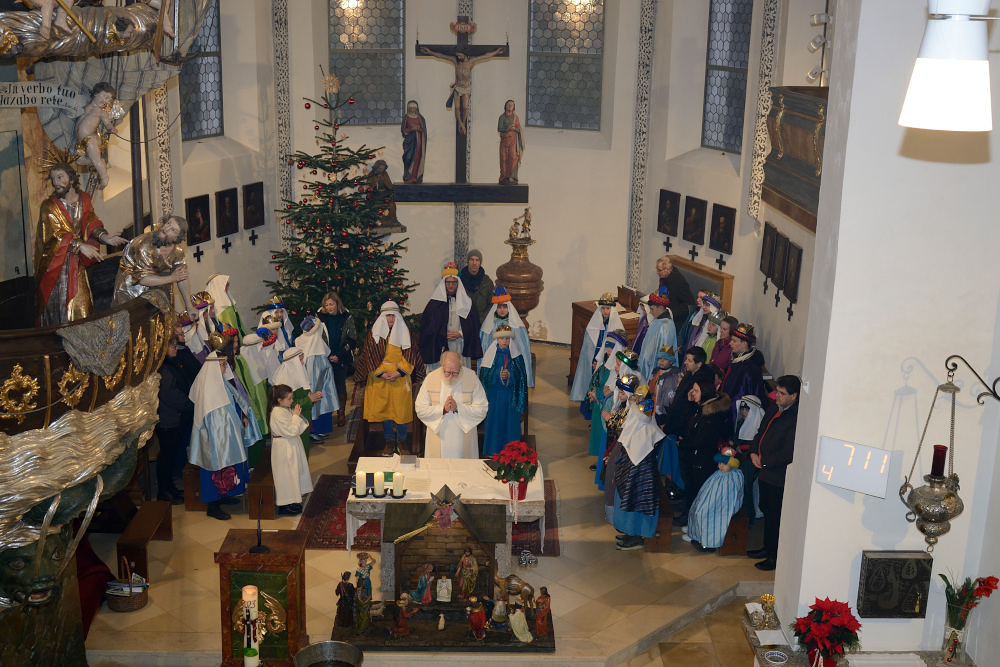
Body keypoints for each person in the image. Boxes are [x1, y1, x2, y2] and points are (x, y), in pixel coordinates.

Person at [34, 161, 126, 325]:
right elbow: (55, 234)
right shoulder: (48, 206)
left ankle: (82, 339)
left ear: (71, 179)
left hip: (76, 265)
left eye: (60, 177)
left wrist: (104, 237)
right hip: (55, 267)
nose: (55, 182)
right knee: (58, 314)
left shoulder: (84, 199)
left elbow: (90, 221)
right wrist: (79, 245)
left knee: (82, 309)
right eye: (53, 178)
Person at [188, 351, 262, 521]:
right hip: (214, 440)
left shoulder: (220, 382)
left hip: (226, 435)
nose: (225, 368)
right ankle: (212, 505)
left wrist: (242, 417)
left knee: (227, 467)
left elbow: (233, 402)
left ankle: (224, 495)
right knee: (215, 469)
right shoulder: (208, 387)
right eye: (222, 365)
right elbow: (210, 419)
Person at [353, 300, 425, 456]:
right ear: (382, 317)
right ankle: (389, 441)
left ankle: (402, 441)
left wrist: (399, 372)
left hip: (400, 377)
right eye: (387, 316)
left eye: (393, 316)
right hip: (379, 377)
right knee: (385, 410)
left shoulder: (406, 333)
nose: (390, 319)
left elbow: (411, 355)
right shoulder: (374, 334)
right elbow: (369, 356)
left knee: (400, 410)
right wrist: (381, 373)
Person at [747, 375, 800, 572]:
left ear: (794, 396)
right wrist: (753, 451)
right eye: (776, 391)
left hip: (778, 476)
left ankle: (774, 556)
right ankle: (767, 547)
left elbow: (789, 452)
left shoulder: (795, 418)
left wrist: (765, 461)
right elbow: (760, 433)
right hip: (765, 472)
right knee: (767, 511)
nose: (777, 396)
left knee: (775, 517)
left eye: (782, 393)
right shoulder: (773, 410)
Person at [611, 385, 665, 551]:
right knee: (627, 496)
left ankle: (637, 535)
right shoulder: (636, 409)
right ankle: (630, 531)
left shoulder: (646, 411)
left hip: (642, 466)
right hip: (632, 461)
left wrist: (634, 404)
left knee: (637, 499)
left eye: (640, 396)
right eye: (636, 396)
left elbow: (643, 418)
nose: (636, 399)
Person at [672, 378, 731, 527]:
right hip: (692, 456)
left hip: (701, 460)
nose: (693, 392)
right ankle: (687, 511)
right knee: (690, 487)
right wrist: (689, 402)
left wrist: (683, 443)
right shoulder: (701, 406)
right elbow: (688, 421)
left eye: (696, 390)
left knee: (696, 490)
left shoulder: (712, 414)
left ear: (704, 392)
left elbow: (702, 439)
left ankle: (690, 519)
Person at [415, 351, 489, 459]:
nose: (450, 376)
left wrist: (459, 409)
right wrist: (442, 410)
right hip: (438, 436)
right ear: (442, 366)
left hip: (463, 437)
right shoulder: (431, 378)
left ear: (461, 367)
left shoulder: (471, 378)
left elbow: (482, 408)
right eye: (447, 372)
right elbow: (420, 409)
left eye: (455, 372)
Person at [418, 45, 504, 135]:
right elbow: (441, 56)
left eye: (460, 55)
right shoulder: (455, 61)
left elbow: (485, 56)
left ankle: (463, 122)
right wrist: (430, 52)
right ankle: (460, 123)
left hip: (466, 88)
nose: (458, 57)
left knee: (465, 107)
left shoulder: (470, 61)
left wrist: (496, 52)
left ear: (464, 54)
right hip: (458, 88)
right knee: (457, 107)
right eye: (457, 55)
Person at [112, 214, 191, 311]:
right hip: (129, 289)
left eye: (173, 230)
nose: (166, 229)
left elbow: (182, 277)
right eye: (168, 223)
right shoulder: (144, 245)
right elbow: (143, 280)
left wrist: (189, 306)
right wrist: (172, 278)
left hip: (152, 287)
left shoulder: (177, 252)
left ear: (176, 239)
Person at [155, 334, 196, 504]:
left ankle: (170, 488)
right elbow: (172, 395)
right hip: (168, 419)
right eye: (172, 346)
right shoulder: (162, 370)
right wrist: (191, 404)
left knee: (170, 457)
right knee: (166, 457)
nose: (176, 348)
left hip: (175, 418)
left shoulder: (171, 365)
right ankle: (164, 492)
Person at [419, 263, 482, 370]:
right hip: (441, 345)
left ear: (458, 283)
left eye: (453, 282)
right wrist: (443, 334)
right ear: (444, 283)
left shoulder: (467, 303)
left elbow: (474, 325)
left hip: (460, 344)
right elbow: (427, 327)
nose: (450, 285)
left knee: (460, 372)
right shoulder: (435, 303)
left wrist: (460, 333)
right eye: (448, 282)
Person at [478, 325, 528, 456]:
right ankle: (492, 450)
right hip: (495, 396)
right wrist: (498, 375)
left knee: (510, 424)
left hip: (511, 396)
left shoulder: (516, 356)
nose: (504, 341)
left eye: (507, 338)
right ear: (496, 340)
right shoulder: (491, 356)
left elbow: (521, 376)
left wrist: (510, 376)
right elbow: (485, 376)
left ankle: (511, 452)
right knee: (495, 423)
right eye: (501, 338)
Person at [683, 447, 744, 553]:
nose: (721, 466)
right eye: (719, 463)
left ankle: (706, 542)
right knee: (695, 506)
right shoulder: (720, 473)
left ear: (732, 464)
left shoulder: (732, 477)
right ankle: (695, 533)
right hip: (713, 500)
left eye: (724, 464)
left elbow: (727, 498)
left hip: (723, 505)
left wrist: (709, 504)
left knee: (704, 513)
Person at [266, 384, 313, 516]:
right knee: (286, 476)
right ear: (279, 400)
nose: (292, 401)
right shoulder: (277, 413)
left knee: (293, 474)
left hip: (290, 445)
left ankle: (292, 500)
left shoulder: (283, 409)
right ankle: (284, 505)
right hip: (284, 449)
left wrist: (294, 416)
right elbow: (292, 431)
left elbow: (294, 429)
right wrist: (296, 416)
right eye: (289, 399)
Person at [570, 292, 625, 402]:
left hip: (607, 360)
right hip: (594, 358)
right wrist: (593, 359)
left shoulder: (616, 327)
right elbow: (588, 346)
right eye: (603, 308)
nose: (605, 311)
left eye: (608, 308)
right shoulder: (594, 325)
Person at [296, 315, 341, 442]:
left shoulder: (317, 342)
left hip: (323, 376)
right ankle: (314, 431)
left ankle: (322, 429)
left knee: (324, 400)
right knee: (316, 401)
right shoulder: (303, 341)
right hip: (313, 377)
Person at [585, 330, 627, 465]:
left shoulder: (620, 368)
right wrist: (594, 392)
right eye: (607, 347)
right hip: (601, 403)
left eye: (611, 348)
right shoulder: (606, 363)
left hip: (609, 407)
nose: (608, 351)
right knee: (599, 435)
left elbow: (613, 388)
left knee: (605, 439)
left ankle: (603, 462)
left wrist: (599, 393)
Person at [271, 348, 322, 458]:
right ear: (292, 362)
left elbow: (305, 394)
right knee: (297, 454)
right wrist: (309, 399)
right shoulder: (284, 380)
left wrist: (312, 396)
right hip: (293, 422)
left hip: (303, 419)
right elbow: (288, 405)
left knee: (304, 450)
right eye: (300, 360)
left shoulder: (298, 374)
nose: (303, 363)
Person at [479, 286, 533, 387]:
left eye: (505, 307)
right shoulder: (490, 325)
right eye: (499, 307)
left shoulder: (515, 325)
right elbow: (485, 344)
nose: (502, 310)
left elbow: (520, 345)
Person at [316, 291, 356, 427]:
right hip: (324, 357)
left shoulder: (346, 317)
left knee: (340, 385)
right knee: (324, 386)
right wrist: (327, 355)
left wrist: (339, 355)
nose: (329, 307)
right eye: (326, 305)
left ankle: (341, 413)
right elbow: (315, 338)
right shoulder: (319, 318)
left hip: (341, 357)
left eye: (331, 304)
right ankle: (326, 415)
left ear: (337, 304)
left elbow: (352, 339)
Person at [720, 323, 768, 425]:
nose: (730, 343)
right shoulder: (737, 362)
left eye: (734, 341)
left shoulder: (749, 369)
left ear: (744, 344)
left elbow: (749, 396)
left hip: (737, 415)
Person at [74, 82, 118, 190]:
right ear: (96, 93)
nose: (106, 101)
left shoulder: (101, 113)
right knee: (79, 161)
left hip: (90, 138)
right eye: (105, 97)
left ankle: (104, 178)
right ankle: (100, 163)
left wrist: (111, 128)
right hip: (80, 141)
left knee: (96, 159)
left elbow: (107, 124)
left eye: (108, 100)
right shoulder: (86, 106)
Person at [237, 332, 270, 467]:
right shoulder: (246, 364)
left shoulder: (257, 360)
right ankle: (252, 466)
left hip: (263, 403)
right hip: (255, 405)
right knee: (257, 434)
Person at [733, 394, 766, 523]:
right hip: (741, 460)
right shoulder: (741, 422)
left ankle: (748, 517)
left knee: (748, 490)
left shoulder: (760, 425)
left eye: (746, 409)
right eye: (741, 409)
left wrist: (743, 448)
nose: (743, 412)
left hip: (750, 463)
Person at [637, 287, 678, 380]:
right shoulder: (656, 320)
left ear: (660, 308)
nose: (650, 312)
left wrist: (657, 372)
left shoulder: (666, 326)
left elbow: (665, 354)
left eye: (652, 309)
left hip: (655, 371)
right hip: (646, 366)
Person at [459, 249, 494, 327]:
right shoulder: (460, 281)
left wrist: (481, 320)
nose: (474, 263)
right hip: (464, 323)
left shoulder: (487, 282)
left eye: (477, 260)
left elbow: (491, 304)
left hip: (482, 323)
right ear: (468, 261)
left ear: (480, 262)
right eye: (472, 260)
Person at [655, 256, 694, 322]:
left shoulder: (679, 282)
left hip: (676, 318)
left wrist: (670, 313)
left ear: (667, 270)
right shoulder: (664, 277)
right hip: (664, 311)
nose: (657, 272)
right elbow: (662, 295)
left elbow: (688, 304)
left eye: (659, 270)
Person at [400, 100, 427, 183]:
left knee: (417, 158)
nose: (412, 109)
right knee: (408, 157)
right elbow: (403, 131)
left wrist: (418, 128)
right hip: (409, 141)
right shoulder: (406, 118)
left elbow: (424, 130)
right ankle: (408, 176)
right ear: (408, 108)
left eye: (414, 108)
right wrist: (411, 129)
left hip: (419, 142)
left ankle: (416, 177)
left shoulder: (421, 118)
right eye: (410, 108)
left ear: (416, 108)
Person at [497, 99, 524, 184]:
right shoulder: (502, 117)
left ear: (513, 107)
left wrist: (514, 128)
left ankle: (512, 176)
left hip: (512, 141)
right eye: (508, 104)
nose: (510, 106)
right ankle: (504, 176)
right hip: (504, 140)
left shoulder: (515, 118)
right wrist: (507, 128)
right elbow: (499, 128)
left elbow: (519, 129)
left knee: (513, 158)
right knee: (503, 159)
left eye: (512, 105)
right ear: (505, 106)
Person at [366, 159, 398, 228]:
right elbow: (368, 186)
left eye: (383, 169)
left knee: (392, 205)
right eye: (380, 169)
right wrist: (371, 188)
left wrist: (390, 193)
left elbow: (389, 185)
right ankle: (377, 221)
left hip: (385, 195)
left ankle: (393, 220)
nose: (381, 171)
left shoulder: (385, 174)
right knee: (375, 206)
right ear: (376, 167)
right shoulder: (371, 175)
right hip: (376, 196)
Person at [677, 289, 708, 355]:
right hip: (682, 348)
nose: (698, 300)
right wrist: (679, 344)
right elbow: (683, 329)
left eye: (701, 298)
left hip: (691, 350)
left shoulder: (705, 318)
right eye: (697, 297)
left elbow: (695, 338)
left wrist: (683, 349)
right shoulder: (693, 312)